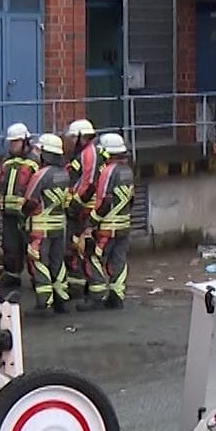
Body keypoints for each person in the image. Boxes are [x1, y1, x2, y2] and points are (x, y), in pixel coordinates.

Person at [23, 133, 73, 314]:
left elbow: (30, 200)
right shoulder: (64, 174)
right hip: (59, 225)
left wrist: (23, 217)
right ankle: (62, 298)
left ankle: (44, 303)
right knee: (57, 262)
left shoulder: (40, 175)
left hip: (40, 228)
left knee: (39, 262)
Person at [90, 132, 136, 310]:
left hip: (107, 227)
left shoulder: (108, 171)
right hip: (124, 225)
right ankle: (117, 296)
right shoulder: (128, 171)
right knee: (119, 260)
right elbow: (131, 199)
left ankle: (97, 295)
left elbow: (103, 200)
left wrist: (90, 223)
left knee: (93, 256)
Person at [0, 123, 40, 293]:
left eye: (16, 141)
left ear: (25, 141)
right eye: (11, 142)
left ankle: (37, 278)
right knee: (10, 245)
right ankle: (12, 275)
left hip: (27, 213)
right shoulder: (7, 160)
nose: (13, 145)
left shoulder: (34, 161)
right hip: (8, 213)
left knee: (31, 247)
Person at [63, 119, 101, 309]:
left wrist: (74, 206)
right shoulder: (83, 154)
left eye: (72, 138)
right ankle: (79, 287)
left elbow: (88, 184)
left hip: (84, 210)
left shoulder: (89, 154)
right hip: (80, 208)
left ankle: (88, 289)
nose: (69, 141)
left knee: (84, 248)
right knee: (75, 248)